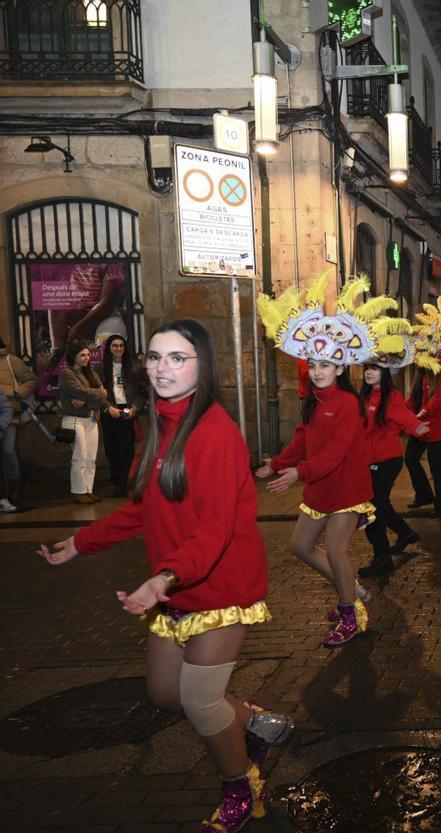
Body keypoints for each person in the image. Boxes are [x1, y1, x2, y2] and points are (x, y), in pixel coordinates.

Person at [40, 319, 291, 832]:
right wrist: (82, 543)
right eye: (155, 357)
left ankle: (241, 787)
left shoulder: (215, 433)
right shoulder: (158, 425)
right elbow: (143, 509)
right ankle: (255, 722)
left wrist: (164, 578)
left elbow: (215, 529)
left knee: (200, 702)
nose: (162, 368)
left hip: (218, 586)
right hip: (174, 587)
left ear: (203, 365)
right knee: (163, 693)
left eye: (178, 358)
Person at [256, 277, 401, 647]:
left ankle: (350, 613)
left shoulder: (349, 404)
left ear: (339, 369)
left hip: (347, 491)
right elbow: (302, 439)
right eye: (313, 364)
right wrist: (277, 464)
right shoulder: (315, 401)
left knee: (336, 551)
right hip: (320, 490)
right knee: (300, 547)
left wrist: (298, 473)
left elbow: (335, 454)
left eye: (325, 365)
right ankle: (350, 587)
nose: (318, 371)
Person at [357, 354, 429, 577]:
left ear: (385, 372)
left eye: (375, 369)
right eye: (367, 368)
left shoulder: (391, 396)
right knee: (379, 504)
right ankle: (405, 533)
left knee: (372, 508)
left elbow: (402, 415)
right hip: (368, 460)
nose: (369, 372)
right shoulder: (364, 396)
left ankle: (382, 558)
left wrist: (416, 427)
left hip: (386, 460)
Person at [58, 339, 111, 504]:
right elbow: (80, 391)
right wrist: (98, 393)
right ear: (73, 356)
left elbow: (95, 396)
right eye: (82, 355)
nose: (86, 358)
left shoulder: (92, 373)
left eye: (88, 355)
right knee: (79, 456)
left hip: (91, 418)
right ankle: (78, 491)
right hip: (74, 419)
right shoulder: (67, 374)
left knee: (90, 457)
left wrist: (88, 399)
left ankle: (89, 490)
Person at [405, 356, 441, 516]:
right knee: (410, 458)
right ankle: (424, 495)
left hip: (437, 427)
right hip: (420, 426)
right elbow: (413, 399)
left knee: (436, 466)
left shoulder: (438, 373)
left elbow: (439, 398)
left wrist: (424, 411)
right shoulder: (419, 374)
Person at [99, 334, 144, 497]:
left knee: (127, 449)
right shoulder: (101, 368)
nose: (118, 349)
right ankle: (117, 483)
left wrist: (135, 408)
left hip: (128, 411)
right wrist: (108, 407)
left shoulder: (134, 366)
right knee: (112, 449)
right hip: (110, 411)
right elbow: (97, 393)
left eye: (121, 345)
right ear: (109, 348)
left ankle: (129, 483)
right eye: (114, 346)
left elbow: (142, 391)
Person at [0, 335, 36, 504]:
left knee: (8, 450)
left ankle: (15, 485)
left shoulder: (10, 360)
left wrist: (16, 394)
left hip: (8, 413)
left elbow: (32, 380)